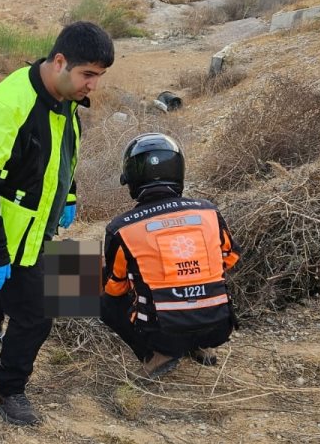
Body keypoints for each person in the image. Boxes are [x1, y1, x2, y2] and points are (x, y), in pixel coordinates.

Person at [0, 21, 114, 425]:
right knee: (39, 312)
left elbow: (64, 151)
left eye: (99, 76)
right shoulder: (8, 106)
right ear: (59, 61)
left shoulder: (65, 97)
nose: (92, 86)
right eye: (87, 75)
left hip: (35, 222)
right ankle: (8, 393)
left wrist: (69, 194)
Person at [101, 133, 240, 379]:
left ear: (131, 177)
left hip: (163, 333)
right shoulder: (209, 211)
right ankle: (201, 347)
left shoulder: (121, 228)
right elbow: (229, 259)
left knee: (81, 272)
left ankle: (155, 354)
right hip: (218, 326)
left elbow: (115, 289)